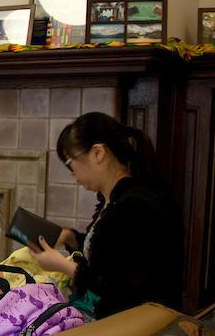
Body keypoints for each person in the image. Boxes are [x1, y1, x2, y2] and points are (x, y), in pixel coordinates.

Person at [30, 111, 182, 319]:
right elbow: (108, 255)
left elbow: (119, 289)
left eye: (70, 162)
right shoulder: (115, 200)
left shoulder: (135, 206)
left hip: (132, 325)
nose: (72, 172)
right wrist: (70, 237)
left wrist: (62, 265)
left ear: (98, 153)